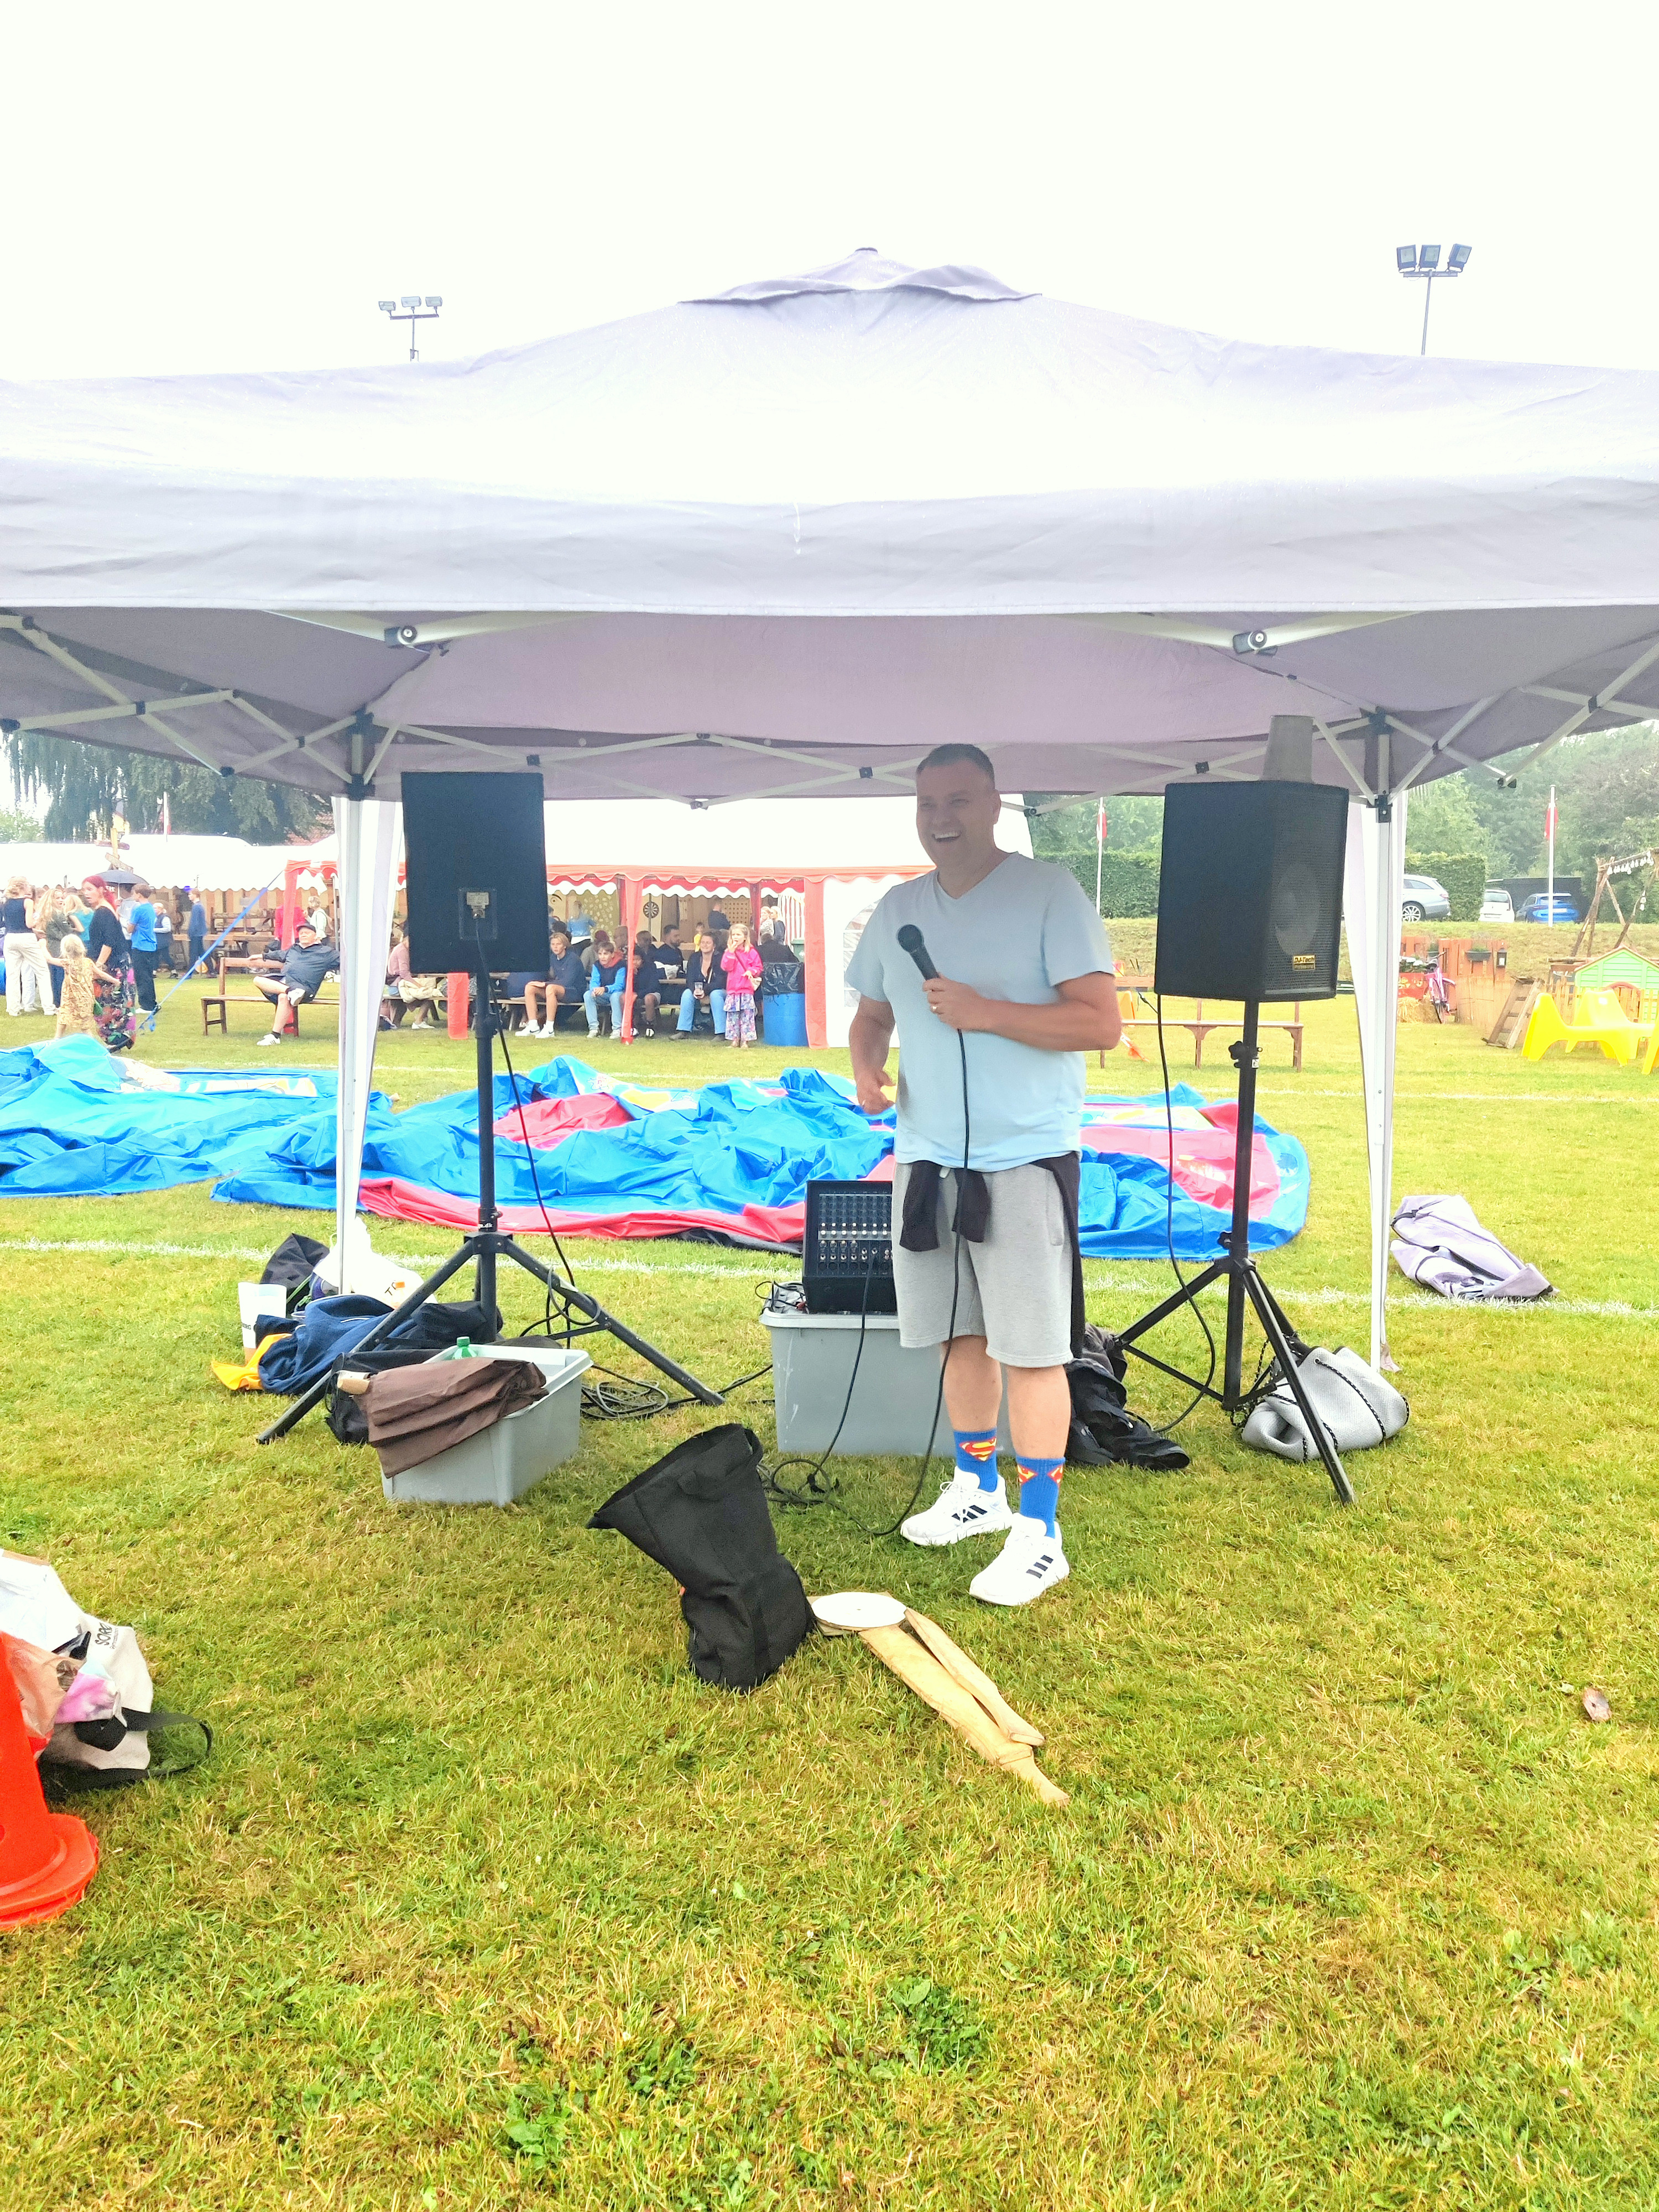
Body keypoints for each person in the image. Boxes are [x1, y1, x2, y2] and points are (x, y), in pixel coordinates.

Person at [846, 743, 1121, 1609]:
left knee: (1032, 1350)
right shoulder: (899, 910)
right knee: (958, 1336)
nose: (940, 819)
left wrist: (987, 1012)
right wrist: (866, 1069)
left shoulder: (1051, 893)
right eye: (926, 803)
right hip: (928, 1158)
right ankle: (977, 1488)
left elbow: (1101, 1024)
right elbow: (871, 1015)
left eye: (958, 800)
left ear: (995, 804)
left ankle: (1041, 1534)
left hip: (1024, 1158)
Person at [255, 922, 340, 1046]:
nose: (303, 935)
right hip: (285, 984)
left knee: (283, 997)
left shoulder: (327, 953)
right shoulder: (294, 948)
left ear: (316, 936)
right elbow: (279, 955)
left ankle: (275, 1036)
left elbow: (347, 961)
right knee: (258, 980)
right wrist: (262, 956)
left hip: (305, 989)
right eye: (301, 933)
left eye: (307, 933)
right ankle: (291, 992)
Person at [79, 876, 137, 1051]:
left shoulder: (103, 912)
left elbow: (109, 943)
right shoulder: (104, 910)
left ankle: (118, 1039)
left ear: (101, 890)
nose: (86, 893)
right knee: (114, 1002)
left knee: (110, 1003)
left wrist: (98, 966)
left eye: (90, 889)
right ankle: (120, 1038)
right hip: (115, 963)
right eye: (84, 890)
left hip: (112, 965)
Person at [524, 927, 589, 1035]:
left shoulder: (573, 959)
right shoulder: (553, 958)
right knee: (530, 987)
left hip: (576, 991)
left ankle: (549, 1028)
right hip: (561, 989)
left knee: (550, 988)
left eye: (558, 944)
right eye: (553, 944)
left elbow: (568, 982)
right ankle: (533, 1026)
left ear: (565, 946)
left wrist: (545, 984)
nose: (555, 947)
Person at [4, 878, 53, 1018]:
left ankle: (13, 1009)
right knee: (42, 971)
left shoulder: (6, 903)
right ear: (23, 887)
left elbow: (14, 922)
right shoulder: (28, 902)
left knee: (12, 975)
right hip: (26, 938)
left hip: (10, 938)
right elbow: (29, 924)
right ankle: (49, 1008)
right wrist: (39, 919)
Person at [672, 929, 727, 1039]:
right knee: (687, 994)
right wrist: (695, 991)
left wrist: (705, 991)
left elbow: (721, 981)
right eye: (703, 942)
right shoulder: (695, 957)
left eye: (708, 943)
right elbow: (690, 979)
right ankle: (683, 1030)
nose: (705, 945)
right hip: (699, 991)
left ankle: (721, 1033)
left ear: (714, 945)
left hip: (718, 990)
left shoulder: (721, 958)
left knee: (715, 995)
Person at [615, 931, 665, 1042]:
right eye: (632, 960)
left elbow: (653, 986)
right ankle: (631, 1025)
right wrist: (632, 975)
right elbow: (626, 987)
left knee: (648, 999)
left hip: (651, 993)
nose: (635, 962)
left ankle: (650, 1026)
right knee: (623, 997)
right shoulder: (628, 969)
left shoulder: (651, 967)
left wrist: (638, 995)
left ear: (642, 959)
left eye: (637, 960)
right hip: (635, 993)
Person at [721, 922, 763, 1049]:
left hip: (746, 989)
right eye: (733, 935)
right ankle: (734, 1040)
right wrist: (731, 953)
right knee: (733, 1016)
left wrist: (751, 971)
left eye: (738, 935)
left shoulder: (752, 952)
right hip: (733, 989)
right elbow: (726, 967)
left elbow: (758, 967)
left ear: (745, 937)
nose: (735, 937)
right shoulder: (728, 952)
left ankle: (745, 1041)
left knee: (747, 1016)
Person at [583, 931, 627, 1037]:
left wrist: (605, 989)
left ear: (612, 955)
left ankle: (617, 1029)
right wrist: (594, 989)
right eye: (600, 954)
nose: (602, 957)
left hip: (618, 993)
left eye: (606, 954)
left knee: (615, 997)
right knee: (588, 995)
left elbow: (619, 985)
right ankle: (594, 1028)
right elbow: (594, 980)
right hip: (604, 993)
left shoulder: (620, 965)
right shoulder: (597, 965)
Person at [54, 935, 99, 1039]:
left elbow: (49, 959)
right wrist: (114, 981)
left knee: (64, 1015)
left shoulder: (68, 963)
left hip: (71, 998)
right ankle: (91, 1042)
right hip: (85, 998)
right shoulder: (88, 962)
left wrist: (42, 947)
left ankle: (57, 1039)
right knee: (84, 1025)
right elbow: (100, 974)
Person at [39, 887, 76, 1008]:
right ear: (51, 900)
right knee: (61, 976)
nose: (61, 900)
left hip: (50, 947)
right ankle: (61, 1002)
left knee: (53, 976)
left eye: (62, 898)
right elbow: (68, 931)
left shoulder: (46, 913)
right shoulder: (58, 914)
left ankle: (55, 1001)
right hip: (59, 948)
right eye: (58, 898)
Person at [186, 886, 208, 972]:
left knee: (193, 954)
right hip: (200, 933)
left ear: (195, 895)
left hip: (196, 934)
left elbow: (195, 922)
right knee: (202, 953)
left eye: (190, 894)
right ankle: (212, 971)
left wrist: (190, 933)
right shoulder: (200, 906)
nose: (189, 896)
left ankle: (189, 973)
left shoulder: (196, 907)